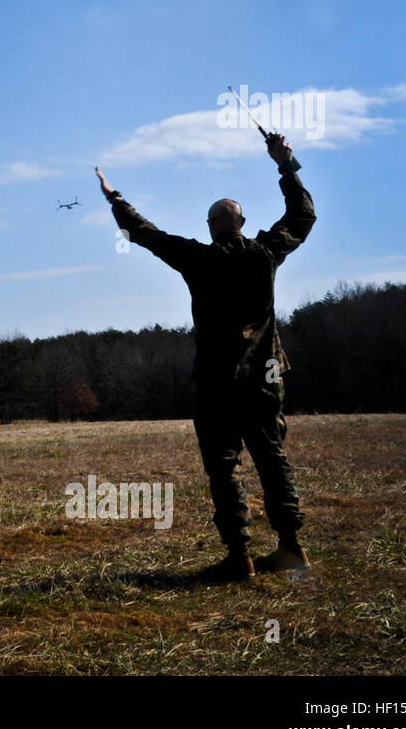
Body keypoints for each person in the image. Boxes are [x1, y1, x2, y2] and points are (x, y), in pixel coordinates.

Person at [94, 132, 315, 581]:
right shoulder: (265, 253)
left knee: (224, 468)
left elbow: (145, 233)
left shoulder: (197, 258)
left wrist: (115, 197)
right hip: (264, 381)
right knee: (272, 459)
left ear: (212, 226)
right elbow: (303, 215)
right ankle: (292, 549)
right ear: (242, 221)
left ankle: (241, 557)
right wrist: (286, 165)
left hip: (217, 385)